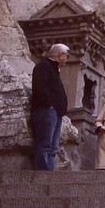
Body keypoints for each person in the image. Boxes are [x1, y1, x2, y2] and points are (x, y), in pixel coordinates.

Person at [31, 43, 70, 171]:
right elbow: (40, 87)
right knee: (45, 144)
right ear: (60, 55)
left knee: (53, 147)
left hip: (55, 113)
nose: (66, 59)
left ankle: (49, 172)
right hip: (47, 111)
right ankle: (42, 173)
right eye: (66, 56)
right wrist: (50, 105)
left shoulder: (53, 69)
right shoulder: (43, 67)